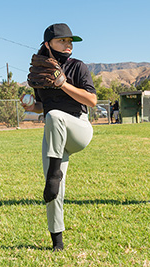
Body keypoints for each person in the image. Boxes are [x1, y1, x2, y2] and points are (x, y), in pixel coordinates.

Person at [22, 23, 97, 251]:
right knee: (53, 191)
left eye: (70, 41)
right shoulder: (41, 69)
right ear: (48, 44)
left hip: (79, 129)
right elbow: (42, 107)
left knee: (54, 116)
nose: (68, 44)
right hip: (55, 136)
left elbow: (91, 101)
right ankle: (57, 243)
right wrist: (29, 105)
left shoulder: (77, 66)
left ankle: (54, 174)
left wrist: (63, 84)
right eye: (62, 40)